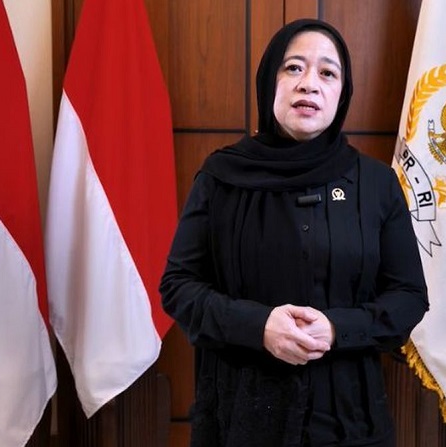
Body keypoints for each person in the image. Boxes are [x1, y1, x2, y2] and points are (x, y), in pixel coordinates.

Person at [159, 18, 429, 447]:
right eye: (293, 67)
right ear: (270, 80)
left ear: (342, 93)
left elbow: (409, 297)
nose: (309, 84)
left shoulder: (377, 185)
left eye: (327, 73)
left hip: (350, 424)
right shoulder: (220, 176)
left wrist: (337, 328)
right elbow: (178, 287)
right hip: (239, 421)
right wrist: (258, 326)